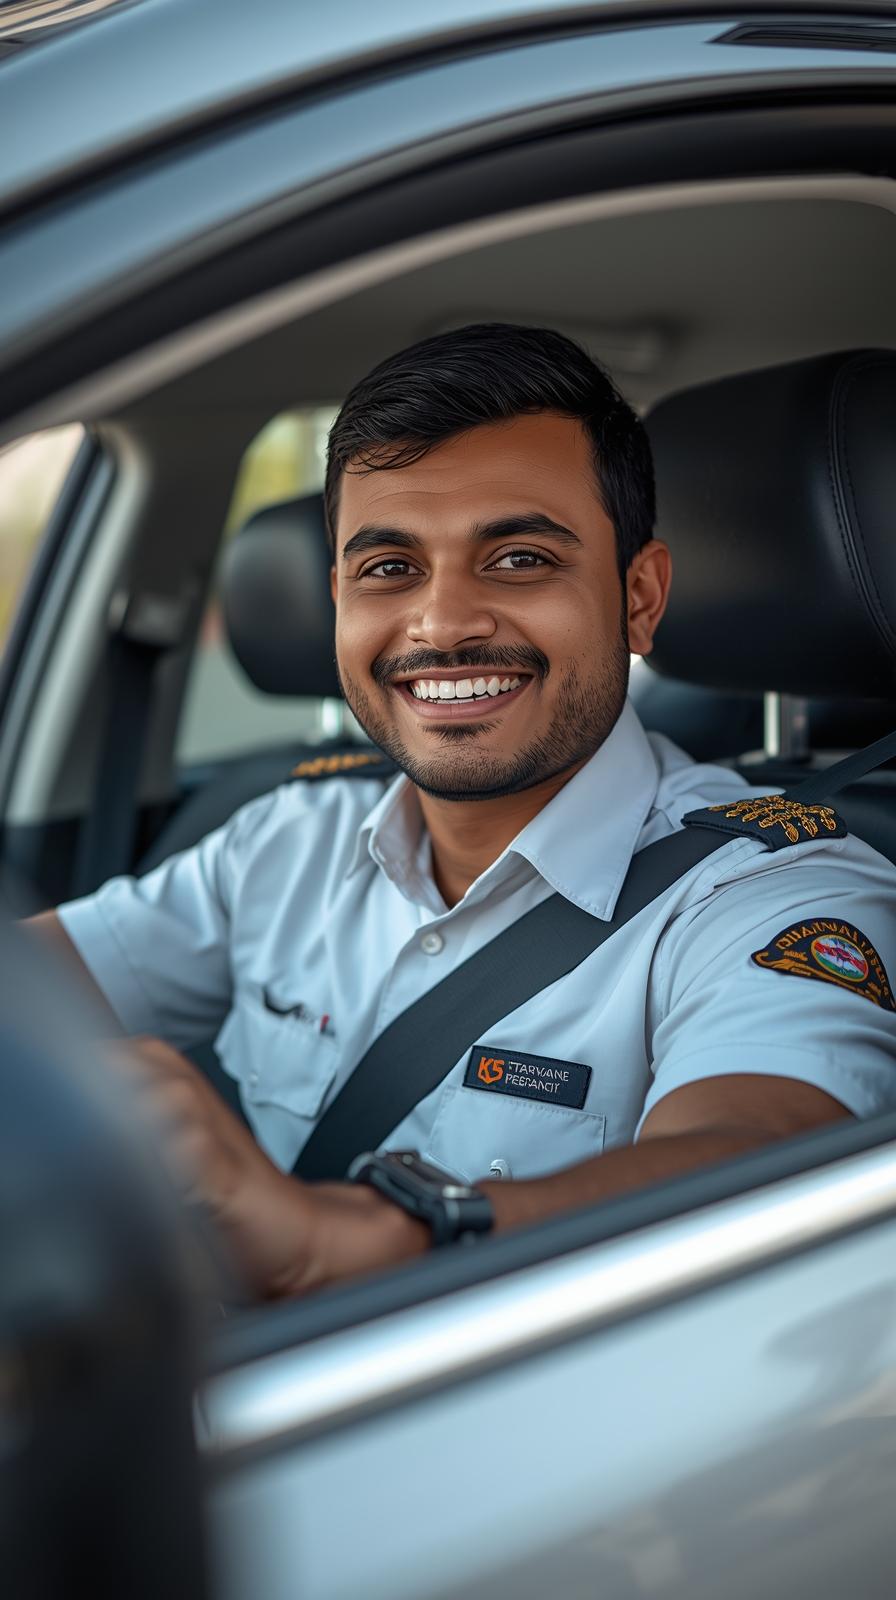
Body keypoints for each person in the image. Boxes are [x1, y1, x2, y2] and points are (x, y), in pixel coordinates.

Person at [29, 324, 896, 1298]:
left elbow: (757, 1153)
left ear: (639, 596)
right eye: (388, 568)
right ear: (338, 599)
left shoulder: (776, 893)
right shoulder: (286, 838)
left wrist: (350, 1236)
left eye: (519, 558)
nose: (442, 625)